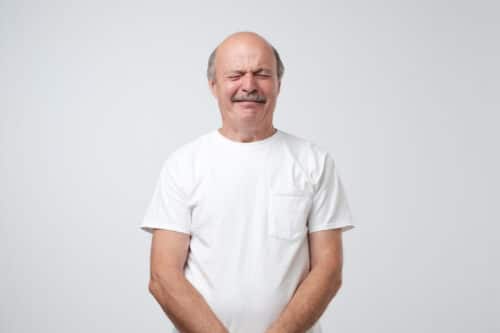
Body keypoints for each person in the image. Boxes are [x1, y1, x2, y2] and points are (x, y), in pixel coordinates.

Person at [139, 31, 355, 333]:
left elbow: (328, 271)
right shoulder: (183, 165)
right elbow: (163, 277)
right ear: (214, 86)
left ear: (278, 84)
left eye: (262, 74)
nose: (249, 85)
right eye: (235, 75)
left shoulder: (314, 162)